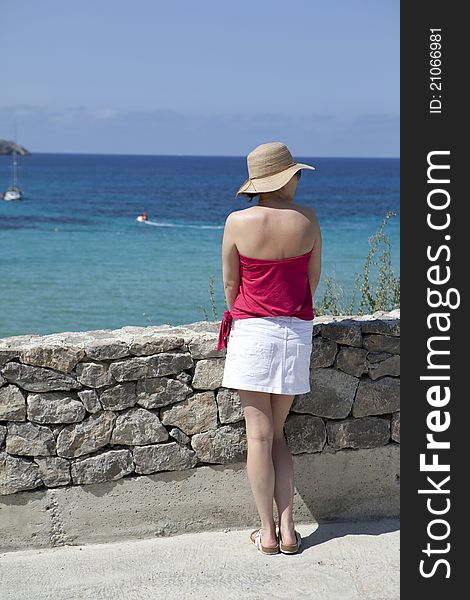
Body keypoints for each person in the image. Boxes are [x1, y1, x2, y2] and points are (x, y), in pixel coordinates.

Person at [218, 141, 322, 555]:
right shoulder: (308, 219)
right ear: (285, 178)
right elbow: (312, 280)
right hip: (294, 334)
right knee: (277, 435)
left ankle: (265, 532)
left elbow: (230, 284)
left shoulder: (237, 221)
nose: (298, 180)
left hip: (253, 334)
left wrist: (245, 315)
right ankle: (289, 528)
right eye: (295, 174)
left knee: (258, 439)